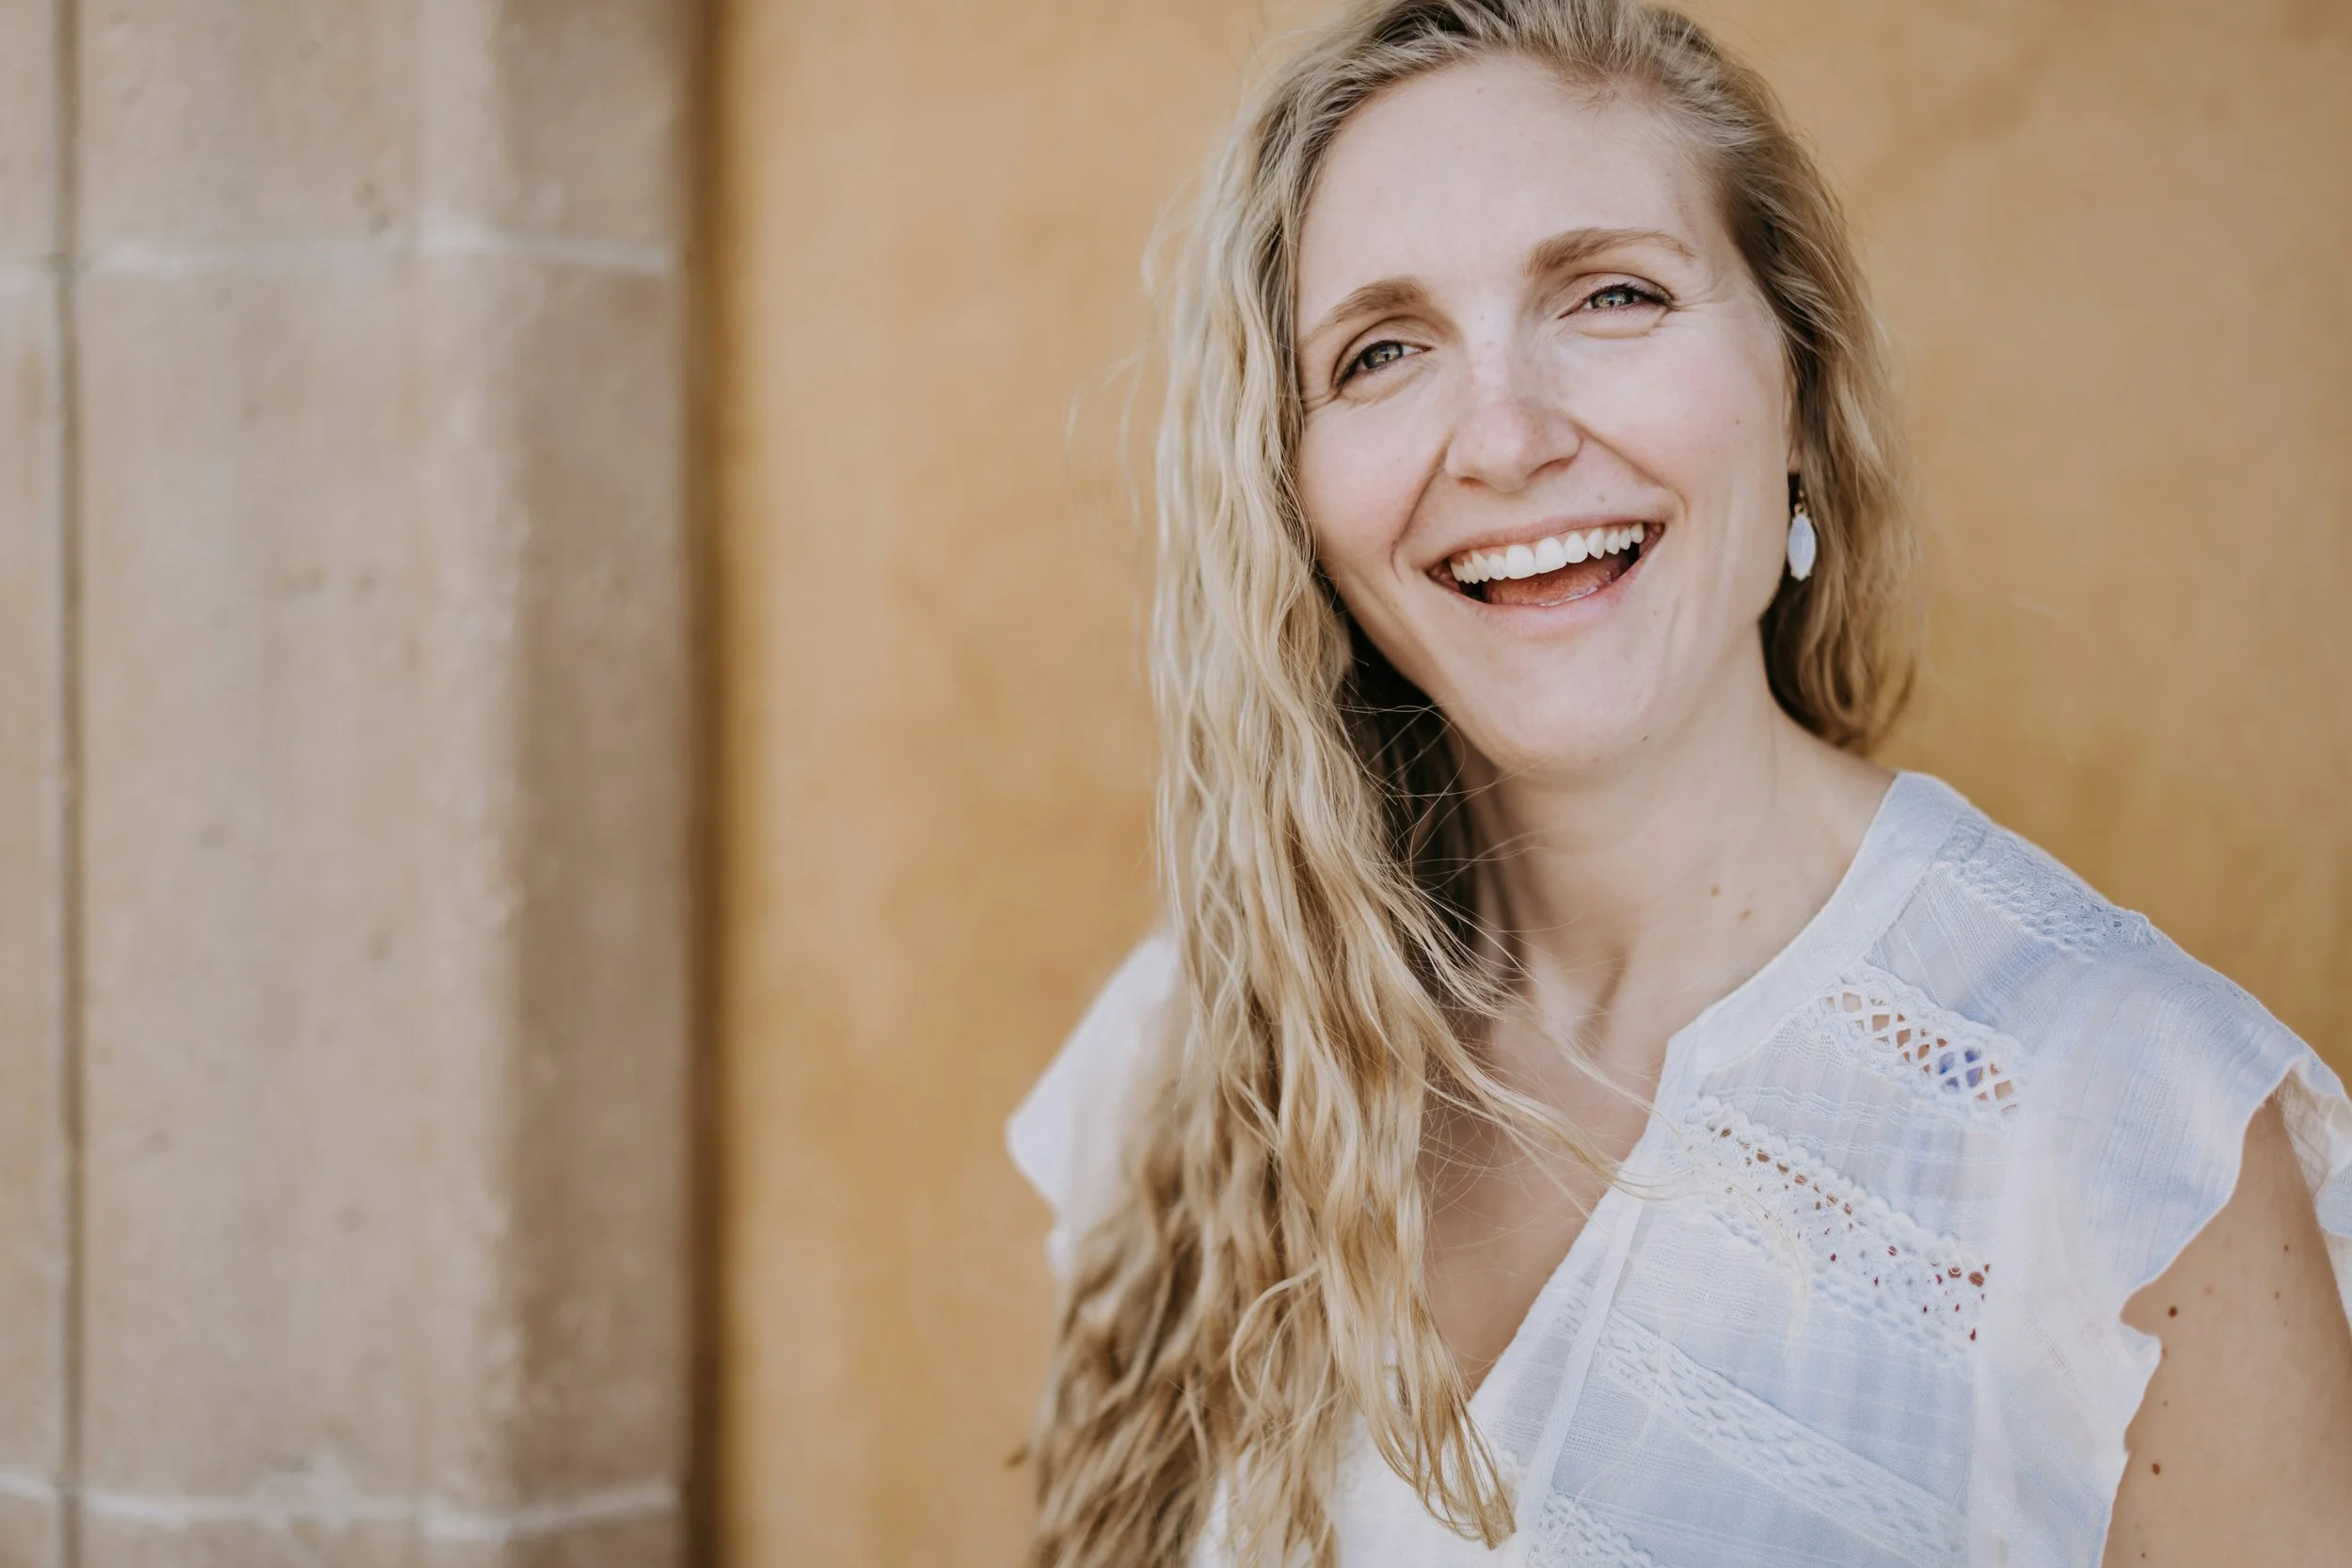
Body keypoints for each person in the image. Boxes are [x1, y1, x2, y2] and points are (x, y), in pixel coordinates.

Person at [1007, 2, 2352, 1563]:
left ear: (1800, 389)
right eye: (1382, 350)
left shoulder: (2134, 1136)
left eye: (1614, 295)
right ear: (1293, 490)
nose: (1504, 438)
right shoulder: (1205, 1048)